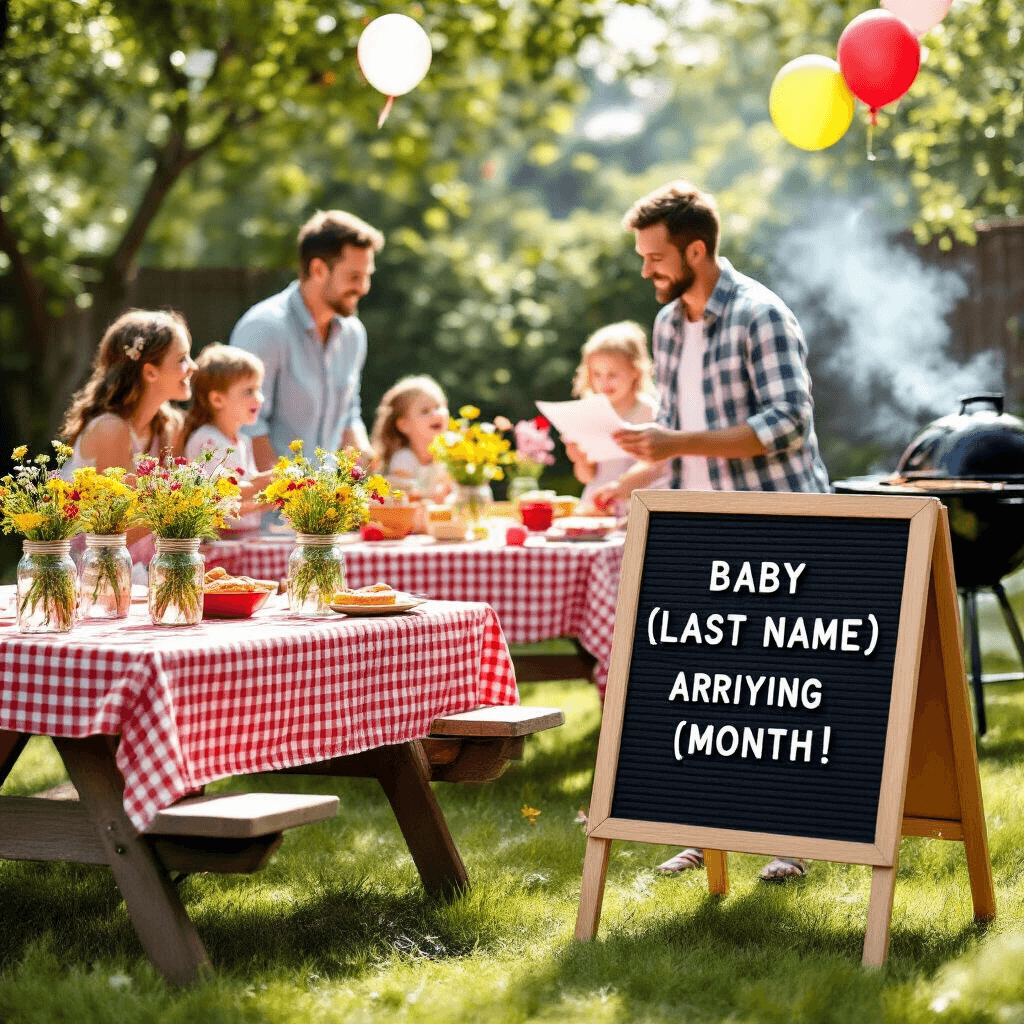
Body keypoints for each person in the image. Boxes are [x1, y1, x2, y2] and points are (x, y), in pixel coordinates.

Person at [602, 180, 830, 883]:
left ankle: (793, 842)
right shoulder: (669, 327)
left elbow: (784, 424)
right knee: (709, 692)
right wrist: (630, 477)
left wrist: (671, 446)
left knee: (783, 696)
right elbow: (679, 438)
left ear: (697, 250)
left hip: (778, 525)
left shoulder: (762, 316)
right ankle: (709, 832)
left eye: (656, 257)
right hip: (700, 530)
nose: (646, 270)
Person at [229, 209, 384, 471]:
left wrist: (370, 468)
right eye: (354, 277)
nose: (364, 288)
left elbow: (349, 415)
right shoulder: (264, 328)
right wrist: (293, 502)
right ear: (318, 269)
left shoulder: (353, 334)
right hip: (272, 507)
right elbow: (247, 429)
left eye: (367, 275)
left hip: (330, 505)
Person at [61, 308, 198, 565]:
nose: (193, 367)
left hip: (137, 571)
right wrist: (185, 507)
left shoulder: (168, 426)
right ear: (150, 372)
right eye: (182, 359)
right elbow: (109, 535)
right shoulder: (110, 429)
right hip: (86, 575)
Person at [564, 321, 667, 517]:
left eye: (612, 374)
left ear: (634, 371)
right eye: (597, 374)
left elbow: (659, 466)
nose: (604, 382)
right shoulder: (590, 413)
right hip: (597, 505)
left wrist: (621, 486)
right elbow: (587, 476)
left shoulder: (649, 410)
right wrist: (579, 459)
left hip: (637, 507)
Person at [181, 343, 275, 531]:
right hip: (219, 543)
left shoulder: (244, 441)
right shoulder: (207, 440)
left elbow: (241, 506)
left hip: (244, 537)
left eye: (258, 389)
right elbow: (220, 498)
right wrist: (263, 484)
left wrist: (271, 496)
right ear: (217, 399)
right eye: (249, 391)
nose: (259, 398)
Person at [370, 375, 453, 503]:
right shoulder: (404, 459)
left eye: (438, 407)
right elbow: (406, 496)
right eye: (425, 411)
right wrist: (435, 495)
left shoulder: (449, 456)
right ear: (404, 425)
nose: (435, 414)